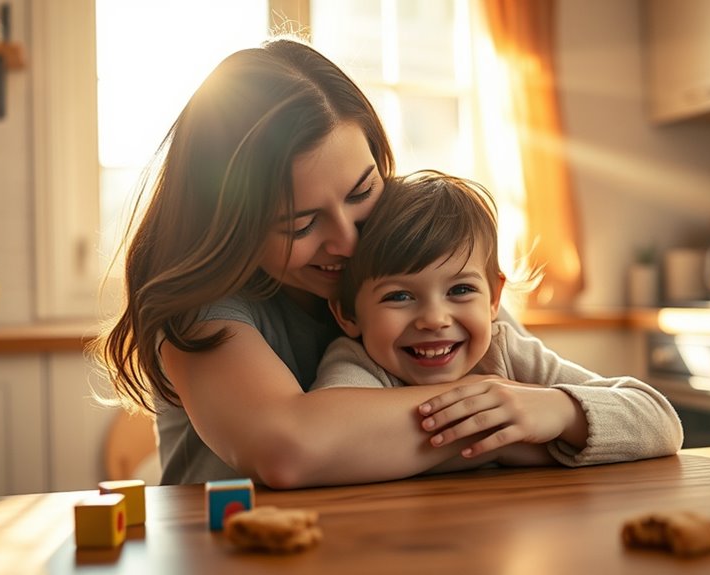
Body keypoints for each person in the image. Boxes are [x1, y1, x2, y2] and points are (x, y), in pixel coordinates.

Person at [94, 37, 675, 490]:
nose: (347, 241)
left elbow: (575, 399)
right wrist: (507, 423)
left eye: (360, 191)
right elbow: (291, 450)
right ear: (231, 223)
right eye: (300, 224)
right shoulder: (200, 309)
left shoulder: (421, 272)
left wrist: (550, 409)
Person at [311, 171, 683, 471]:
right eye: (400, 296)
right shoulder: (355, 363)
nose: (435, 319)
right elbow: (327, 446)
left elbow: (662, 421)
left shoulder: (505, 349)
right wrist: (507, 447)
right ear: (347, 315)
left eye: (459, 291)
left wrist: (562, 410)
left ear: (494, 298)